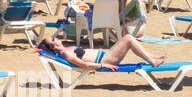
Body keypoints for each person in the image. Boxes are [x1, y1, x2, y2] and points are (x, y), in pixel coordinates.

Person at [36, 32, 165, 71]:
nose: (56, 38)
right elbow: (85, 65)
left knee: (128, 38)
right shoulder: (66, 53)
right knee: (129, 38)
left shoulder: (66, 50)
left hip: (106, 54)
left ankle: (152, 57)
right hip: (106, 59)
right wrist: (104, 65)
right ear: (54, 45)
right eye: (53, 39)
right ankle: (153, 61)